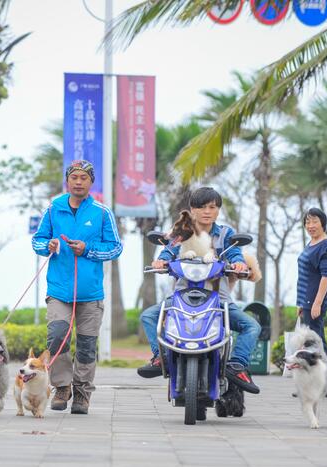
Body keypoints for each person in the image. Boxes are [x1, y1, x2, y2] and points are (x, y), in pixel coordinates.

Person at [136, 187, 261, 395]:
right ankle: (162, 357)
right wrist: (161, 261)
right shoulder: (184, 232)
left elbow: (235, 253)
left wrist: (238, 264)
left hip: (218, 299)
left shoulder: (225, 234)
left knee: (252, 326)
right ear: (192, 210)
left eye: (212, 207)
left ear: (218, 210)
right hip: (181, 296)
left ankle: (236, 365)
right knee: (149, 316)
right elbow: (169, 249)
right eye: (201, 207)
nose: (206, 211)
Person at [32, 160, 122, 414]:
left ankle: (82, 392)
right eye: (74, 177)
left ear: (91, 182)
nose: (79, 182)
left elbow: (115, 247)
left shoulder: (102, 213)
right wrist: (47, 245)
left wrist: (88, 250)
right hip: (59, 290)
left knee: (86, 344)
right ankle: (62, 387)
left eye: (84, 177)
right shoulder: (53, 209)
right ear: (67, 181)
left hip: (90, 293)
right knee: (58, 336)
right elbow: (37, 240)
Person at [296, 208, 327, 397]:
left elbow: (325, 277)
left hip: (315, 300)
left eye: (314, 222)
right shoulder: (312, 243)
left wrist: (318, 303)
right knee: (313, 340)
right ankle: (316, 384)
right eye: (307, 222)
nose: (310, 226)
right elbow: (304, 276)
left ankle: (326, 384)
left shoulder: (326, 245)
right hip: (306, 300)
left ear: (323, 223)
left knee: (316, 341)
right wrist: (299, 302)